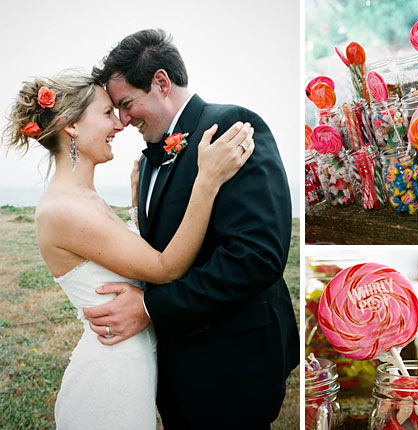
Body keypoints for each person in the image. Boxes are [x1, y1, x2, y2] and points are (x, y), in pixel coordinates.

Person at [3, 72, 254, 428]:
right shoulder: (64, 209)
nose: (120, 124)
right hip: (110, 382)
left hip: (131, 367)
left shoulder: (83, 199)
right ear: (70, 125)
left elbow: (123, 254)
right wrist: (207, 180)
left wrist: (137, 204)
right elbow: (166, 267)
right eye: (107, 113)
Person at [86, 29, 299, 428]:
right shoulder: (149, 159)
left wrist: (150, 308)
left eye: (127, 104)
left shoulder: (233, 126)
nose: (124, 119)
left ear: (161, 82)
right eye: (116, 109)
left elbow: (256, 257)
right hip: (178, 369)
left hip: (233, 365)